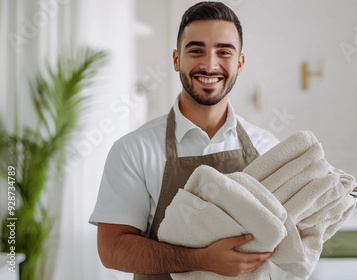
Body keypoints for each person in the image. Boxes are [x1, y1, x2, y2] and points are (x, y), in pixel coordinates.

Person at [89, 1, 281, 279]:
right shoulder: (133, 150)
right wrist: (202, 260)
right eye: (196, 50)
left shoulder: (266, 147)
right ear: (177, 59)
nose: (209, 64)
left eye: (224, 51)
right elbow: (112, 249)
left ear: (239, 63)